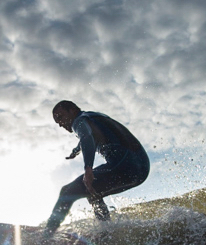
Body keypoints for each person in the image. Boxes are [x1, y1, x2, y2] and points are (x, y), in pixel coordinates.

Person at [45, 100, 149, 234]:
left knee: (67, 191)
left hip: (125, 165)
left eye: (60, 117)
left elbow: (86, 136)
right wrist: (76, 150)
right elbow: (90, 135)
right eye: (57, 122)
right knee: (93, 192)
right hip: (142, 168)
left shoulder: (79, 121)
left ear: (72, 110)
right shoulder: (92, 117)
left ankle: (46, 236)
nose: (60, 124)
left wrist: (88, 168)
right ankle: (106, 231)